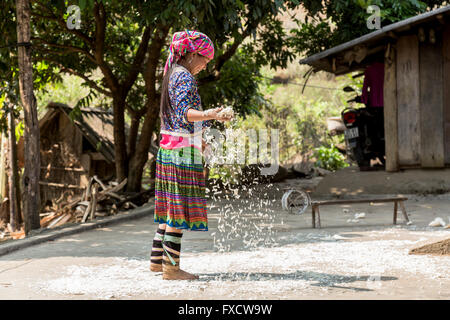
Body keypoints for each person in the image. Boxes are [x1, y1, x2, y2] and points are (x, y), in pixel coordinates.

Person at [150, 30, 233, 280]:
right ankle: (171, 269)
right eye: (205, 60)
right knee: (178, 211)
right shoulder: (183, 77)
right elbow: (186, 113)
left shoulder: (171, 74)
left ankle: (157, 262)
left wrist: (203, 142)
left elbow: (176, 118)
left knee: (167, 210)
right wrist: (211, 114)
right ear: (193, 54)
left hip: (170, 149)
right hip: (182, 154)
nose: (205, 66)